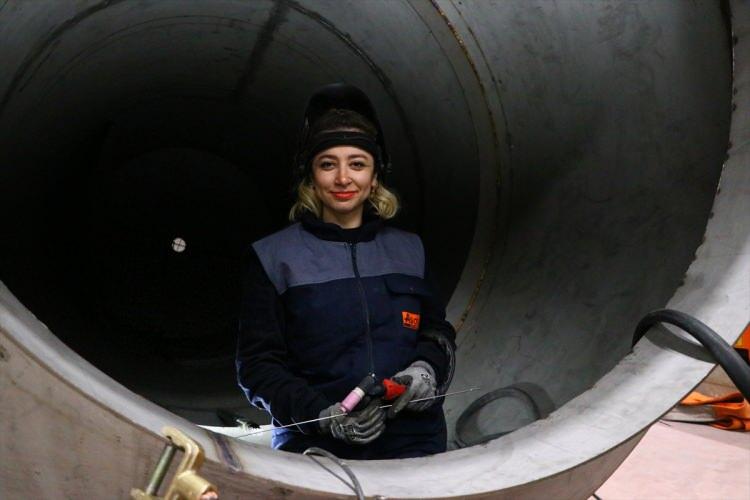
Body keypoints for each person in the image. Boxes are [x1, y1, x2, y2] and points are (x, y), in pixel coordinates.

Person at [236, 83, 456, 460]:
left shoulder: (410, 249)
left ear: (374, 177)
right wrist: (320, 416)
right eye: (327, 164)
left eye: (357, 164)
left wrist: (426, 370)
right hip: (316, 448)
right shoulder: (274, 257)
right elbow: (258, 366)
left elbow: (436, 333)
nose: (342, 179)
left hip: (413, 443)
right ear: (311, 176)